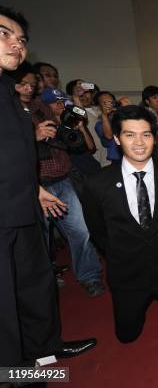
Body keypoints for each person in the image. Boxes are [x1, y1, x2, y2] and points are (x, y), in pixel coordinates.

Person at [0, 5, 96, 367]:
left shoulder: (8, 94)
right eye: (4, 33)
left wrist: (35, 186)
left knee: (34, 284)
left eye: (21, 39)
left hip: (24, 200)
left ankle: (44, 351)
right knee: (5, 303)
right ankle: (16, 374)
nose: (16, 44)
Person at [82, 105, 158, 342]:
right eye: (129, 134)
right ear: (116, 139)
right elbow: (97, 229)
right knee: (127, 336)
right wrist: (119, 252)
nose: (139, 142)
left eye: (146, 134)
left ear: (154, 138)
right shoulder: (97, 183)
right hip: (127, 272)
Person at [34, 87, 105, 297]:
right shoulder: (30, 123)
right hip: (39, 186)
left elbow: (86, 147)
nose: (59, 105)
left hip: (64, 182)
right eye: (55, 102)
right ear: (42, 106)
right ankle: (48, 278)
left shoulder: (65, 124)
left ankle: (90, 276)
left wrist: (76, 127)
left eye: (61, 102)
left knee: (81, 231)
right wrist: (35, 136)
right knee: (42, 239)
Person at [94, 91, 122, 164]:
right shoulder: (99, 124)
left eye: (110, 102)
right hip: (118, 160)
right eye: (104, 103)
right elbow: (109, 136)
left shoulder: (123, 116)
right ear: (98, 106)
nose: (109, 105)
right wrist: (104, 114)